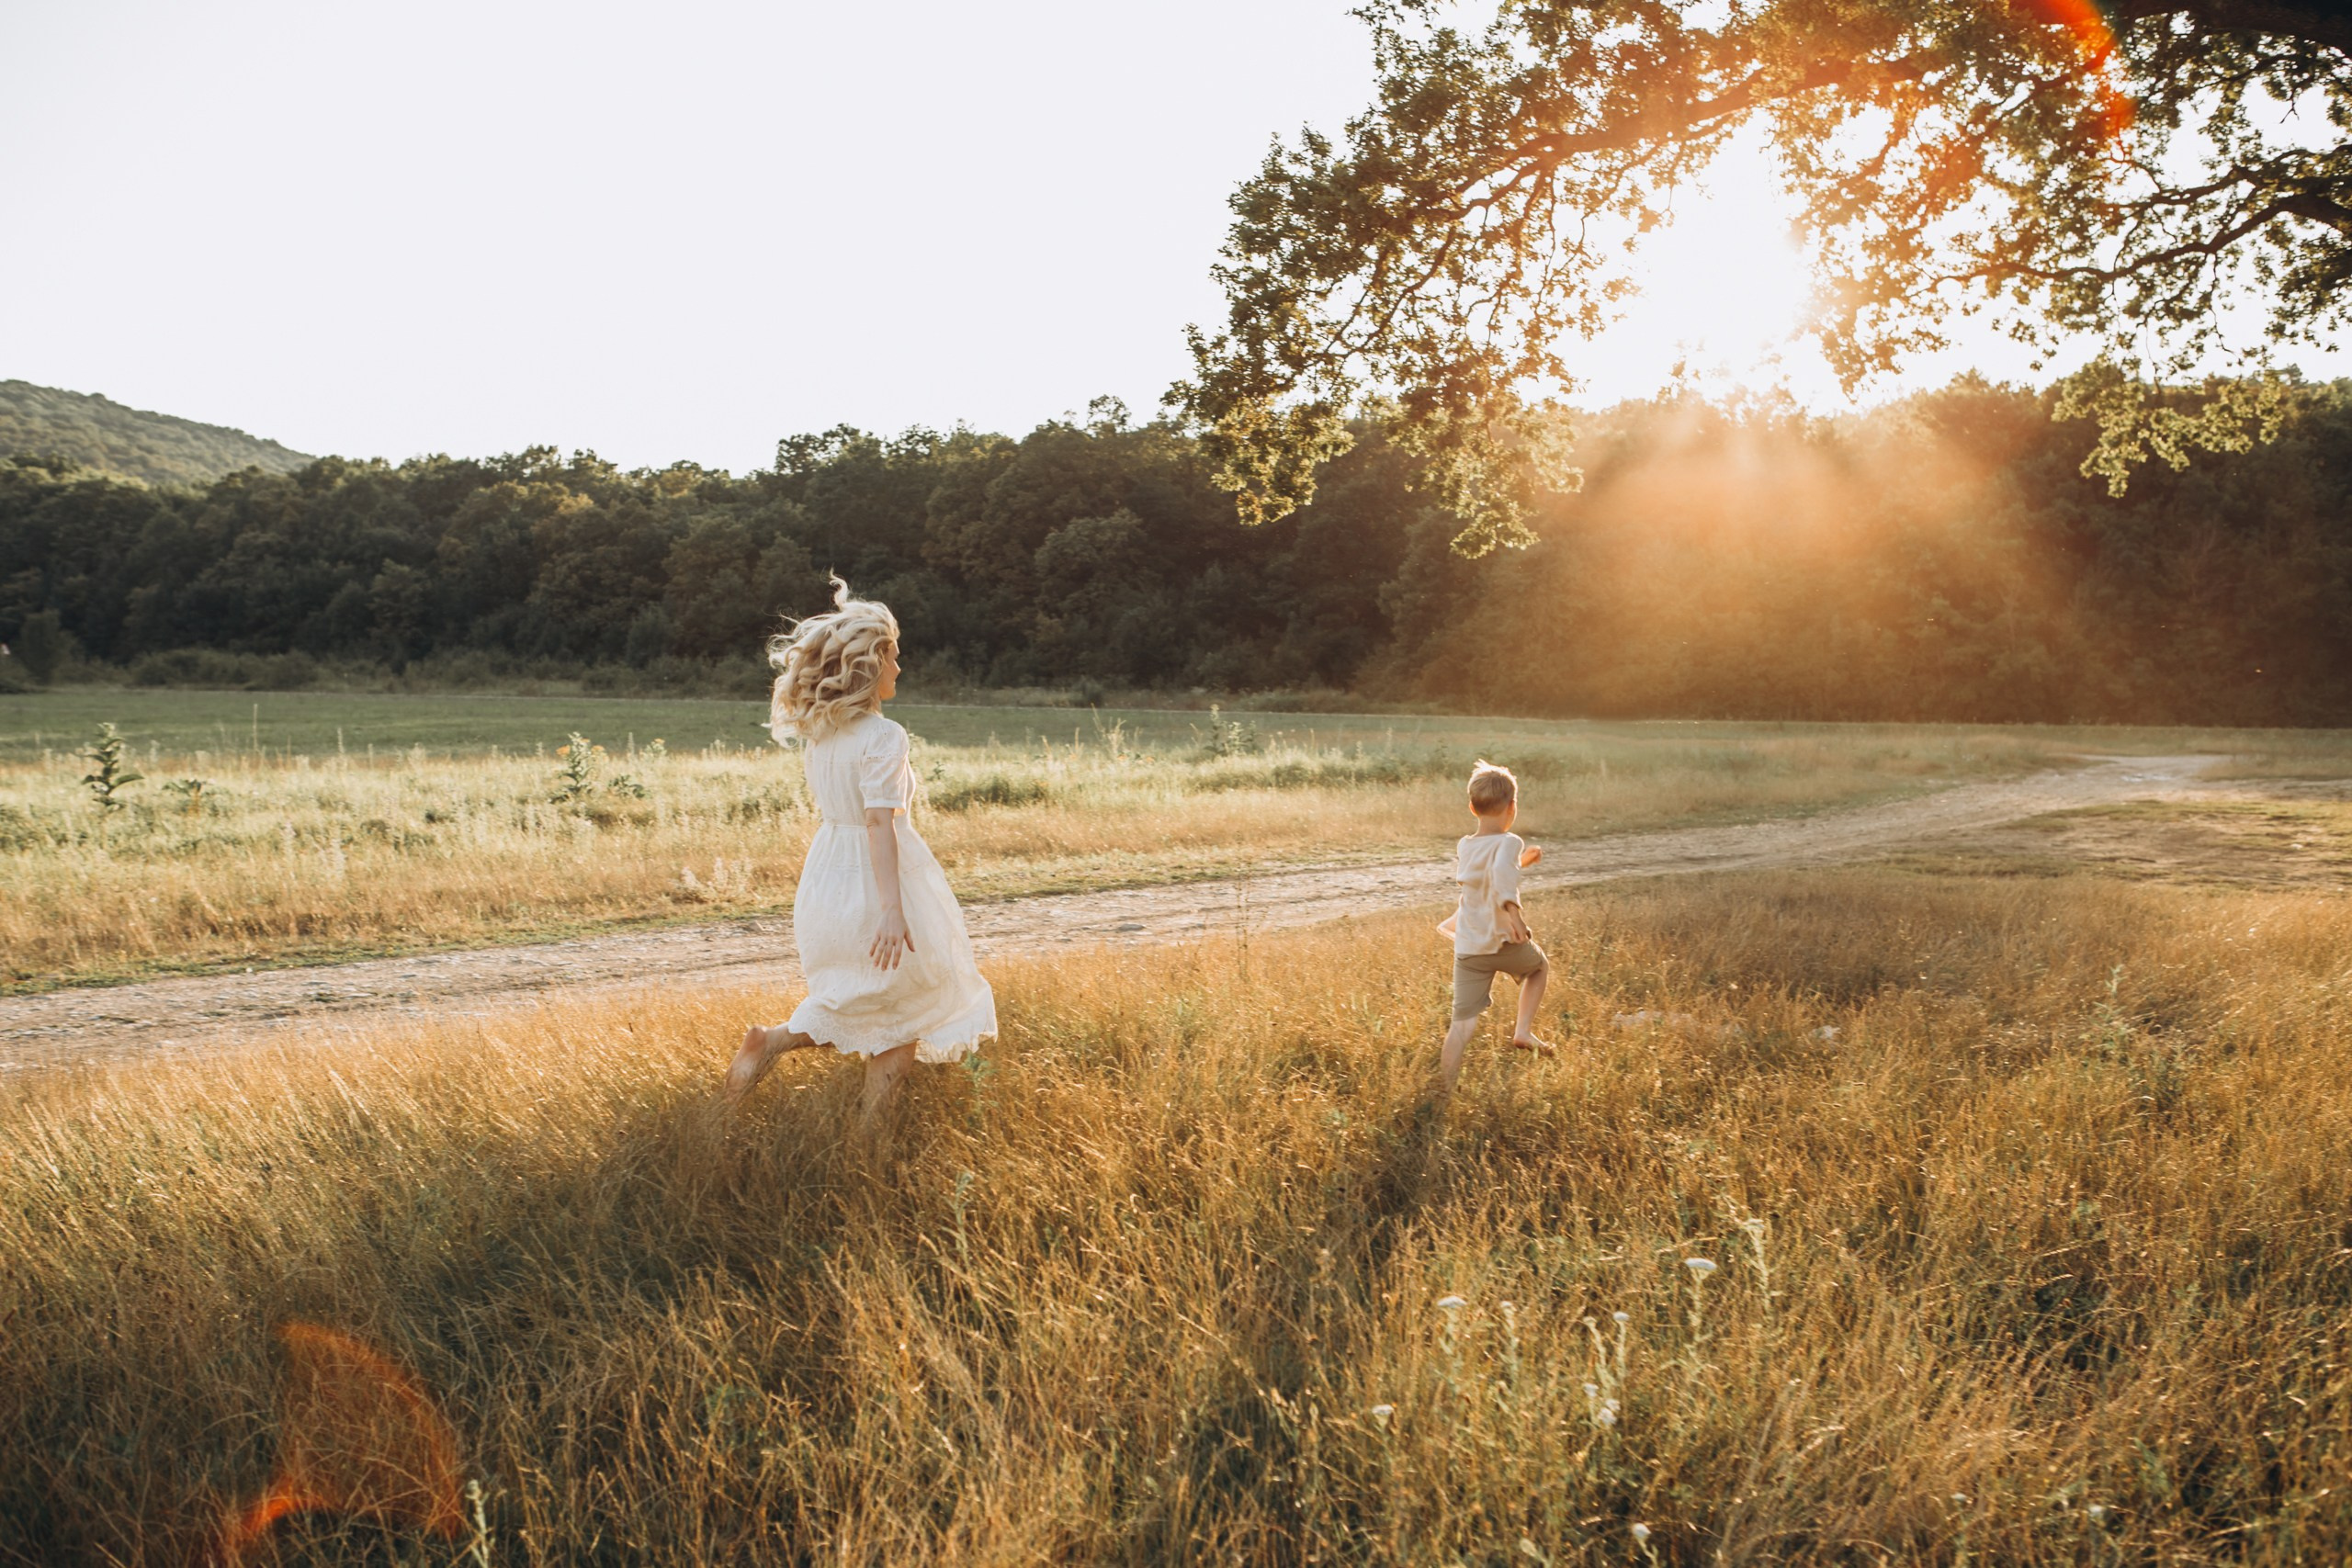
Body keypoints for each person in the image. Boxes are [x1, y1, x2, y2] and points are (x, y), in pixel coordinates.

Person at [724, 579, 997, 1128]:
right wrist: (892, 909)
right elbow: (878, 822)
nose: (900, 667)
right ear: (870, 665)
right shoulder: (884, 735)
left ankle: (778, 1057)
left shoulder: (821, 733)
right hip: (877, 882)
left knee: (879, 1006)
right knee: (905, 1003)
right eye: (893, 657)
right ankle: (789, 1057)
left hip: (829, 876)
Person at [1436, 760, 1554, 1091]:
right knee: (1539, 968)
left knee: (1461, 1026)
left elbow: (1490, 873)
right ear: (1512, 807)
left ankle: (1444, 1089)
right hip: (1503, 941)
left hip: (1469, 949)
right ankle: (1523, 1031)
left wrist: (1522, 863)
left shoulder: (1465, 845)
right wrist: (1514, 915)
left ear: (1472, 807)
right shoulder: (1510, 841)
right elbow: (1501, 877)